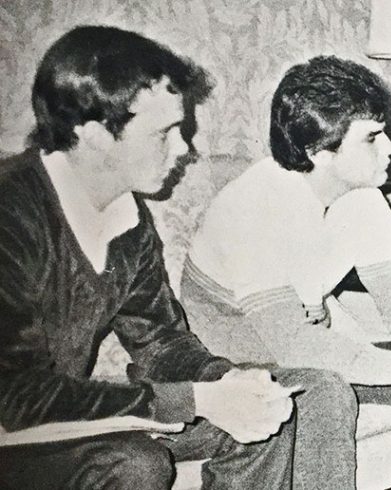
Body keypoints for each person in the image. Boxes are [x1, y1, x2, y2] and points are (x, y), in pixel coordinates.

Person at [0, 25, 357, 489]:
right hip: (15, 432)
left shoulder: (129, 220)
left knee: (277, 408)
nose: (184, 149)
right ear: (92, 135)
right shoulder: (12, 212)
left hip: (67, 423)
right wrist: (194, 401)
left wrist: (229, 385)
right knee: (136, 463)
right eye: (164, 132)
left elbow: (162, 344)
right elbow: (15, 396)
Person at [180, 56, 391, 487]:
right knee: (325, 392)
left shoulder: (362, 196)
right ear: (319, 151)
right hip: (223, 360)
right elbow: (293, 345)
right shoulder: (252, 206)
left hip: (296, 341)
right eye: (373, 138)